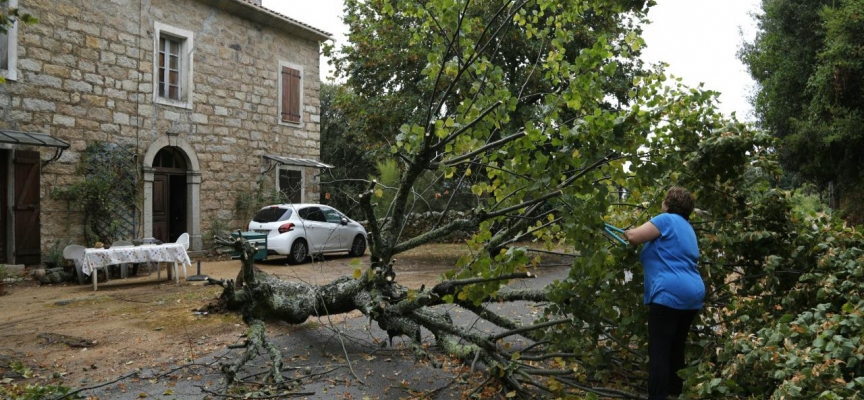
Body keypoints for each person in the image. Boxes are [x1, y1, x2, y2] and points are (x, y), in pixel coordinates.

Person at [624, 187, 704, 399]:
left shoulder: (667, 219)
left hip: (669, 294)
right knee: (676, 348)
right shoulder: (687, 228)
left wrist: (627, 234)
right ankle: (675, 394)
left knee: (659, 351)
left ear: (668, 204)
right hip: (693, 295)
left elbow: (633, 236)